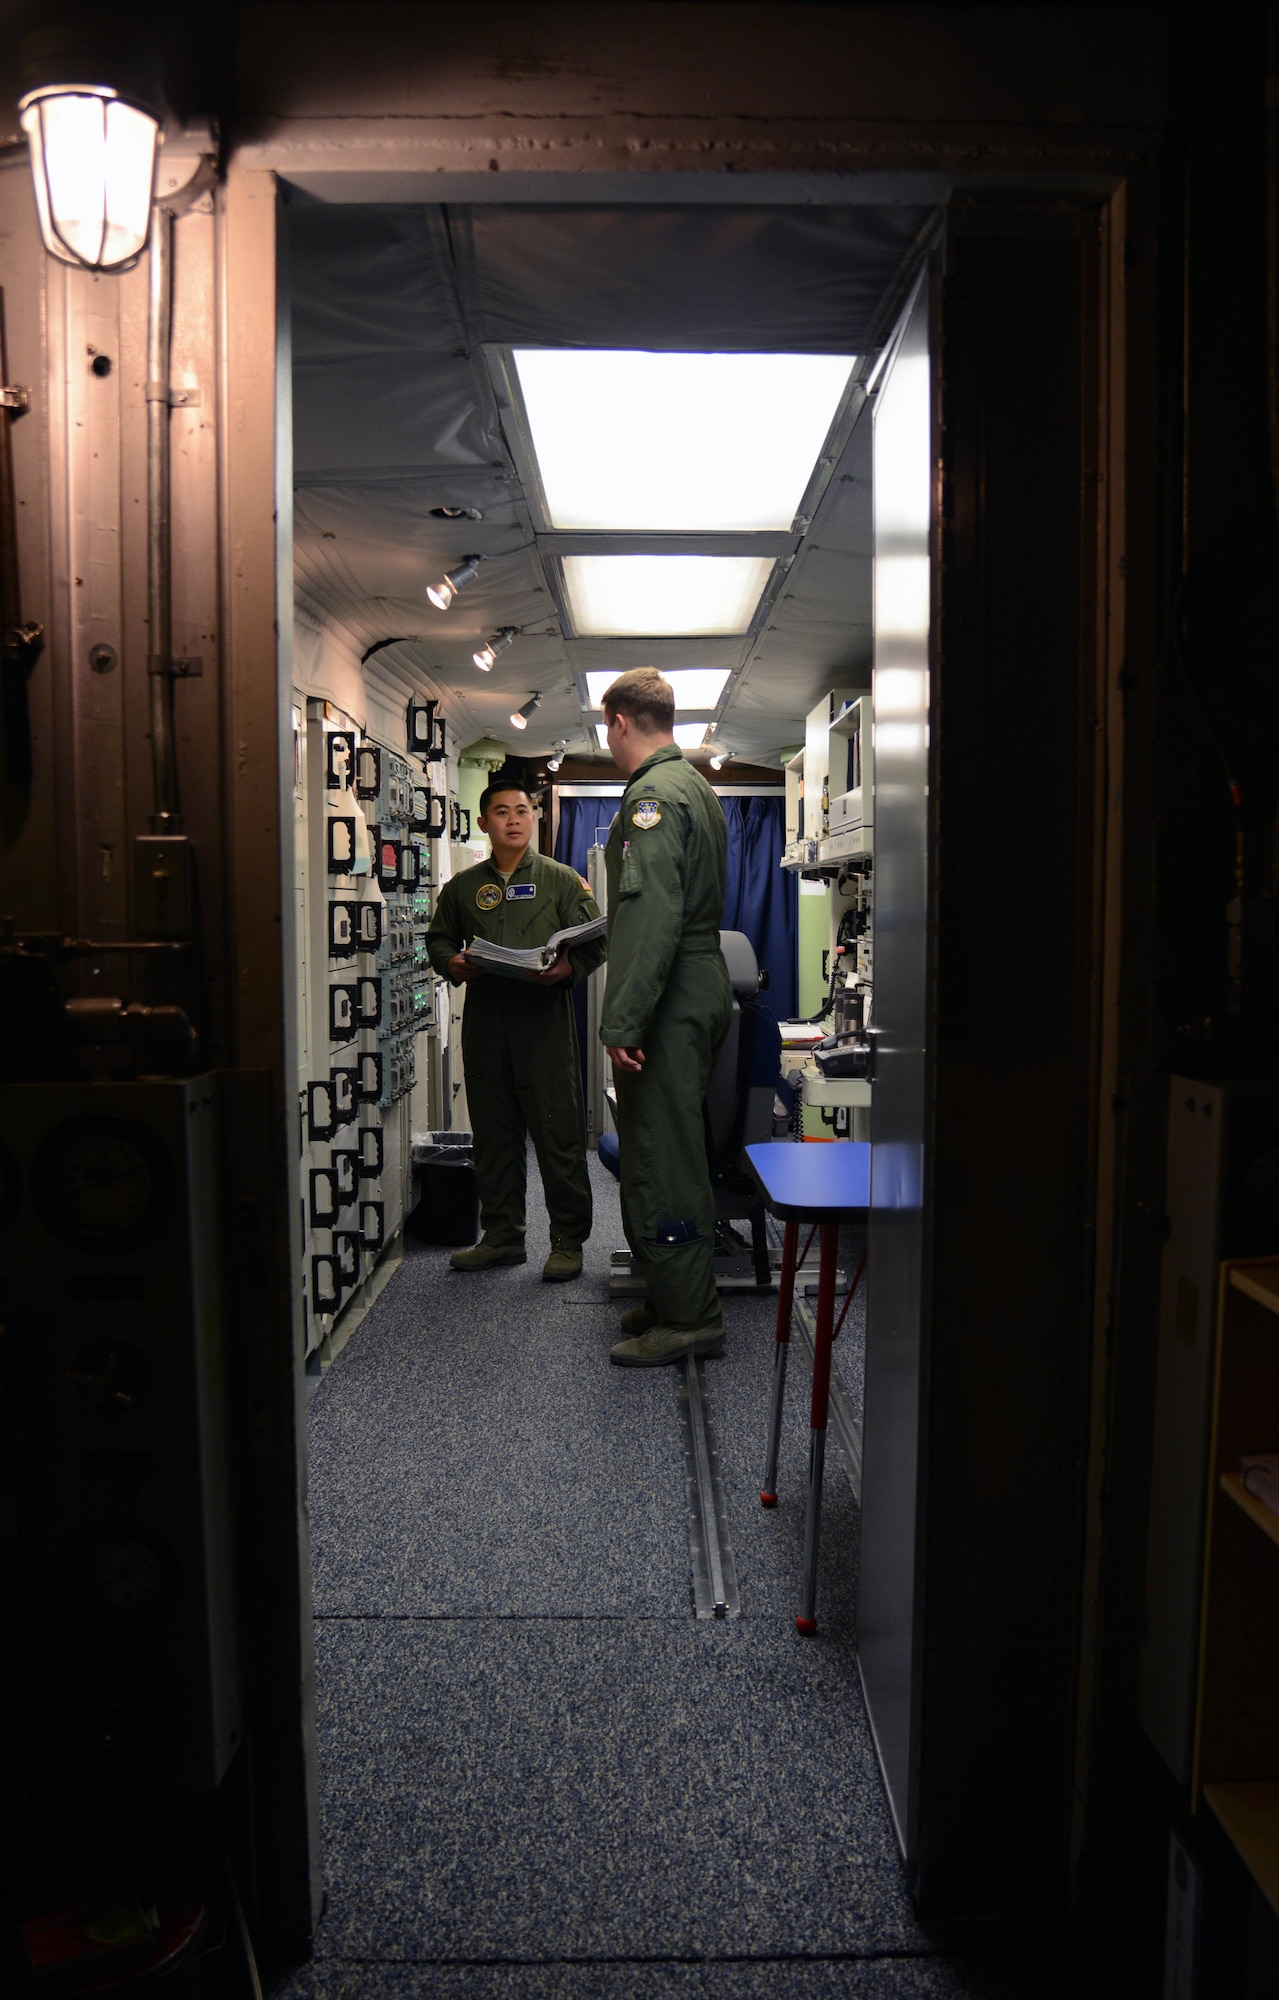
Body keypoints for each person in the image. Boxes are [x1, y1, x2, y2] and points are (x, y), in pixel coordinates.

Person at [599, 669, 733, 1365]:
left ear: (619, 720)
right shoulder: (696, 787)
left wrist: (622, 1022)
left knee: (664, 1154)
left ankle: (691, 1318)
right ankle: (670, 1292)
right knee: (665, 1144)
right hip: (694, 980)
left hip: (671, 992)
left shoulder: (651, 795)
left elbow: (651, 916)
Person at [426, 778, 605, 1281]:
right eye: (501, 812)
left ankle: (568, 1241)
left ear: (535, 818)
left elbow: (593, 942)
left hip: (543, 1025)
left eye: (522, 811)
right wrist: (453, 964)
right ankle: (503, 1236)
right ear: (483, 823)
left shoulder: (563, 880)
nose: (513, 819)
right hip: (486, 1024)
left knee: (558, 1134)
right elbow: (438, 942)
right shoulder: (463, 887)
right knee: (494, 1135)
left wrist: (567, 969)